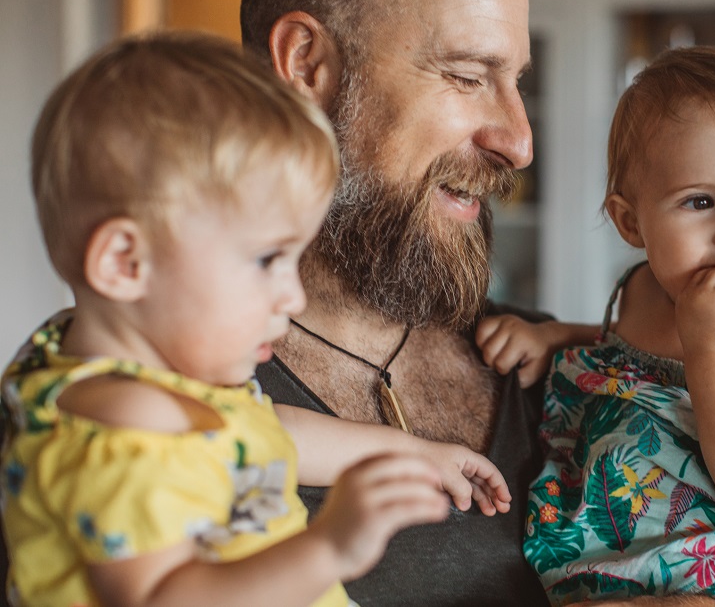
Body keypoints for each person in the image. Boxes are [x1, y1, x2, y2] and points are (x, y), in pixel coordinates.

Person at [240, 0, 715, 606]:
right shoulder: (138, 399)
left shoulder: (557, 365)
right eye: (468, 76)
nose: (520, 142)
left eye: (518, 82)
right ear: (307, 63)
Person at [0, 31, 514, 607]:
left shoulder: (157, 387)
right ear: (126, 263)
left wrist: (412, 451)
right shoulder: (121, 426)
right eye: (266, 259)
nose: (291, 296)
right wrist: (329, 548)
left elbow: (267, 434)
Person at [478, 46, 715, 605]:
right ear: (631, 222)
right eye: (700, 201)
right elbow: (625, 356)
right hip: (624, 559)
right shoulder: (643, 289)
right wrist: (553, 336)